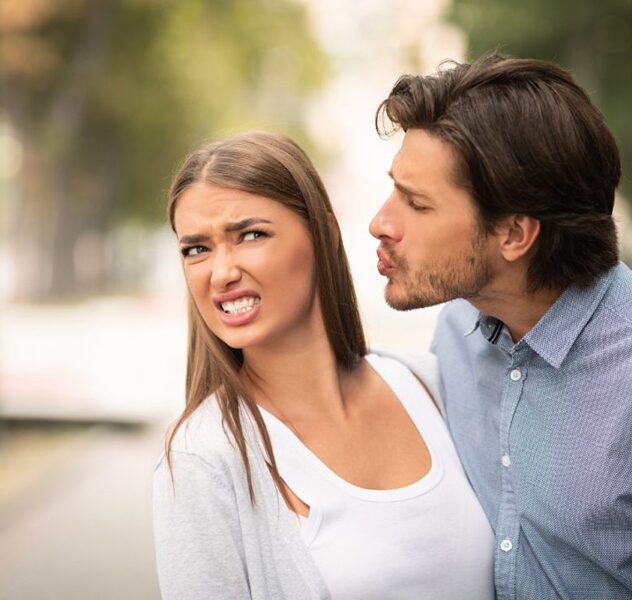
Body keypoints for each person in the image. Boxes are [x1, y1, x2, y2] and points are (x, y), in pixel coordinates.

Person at [369, 53, 632, 599]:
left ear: (514, 234)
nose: (380, 222)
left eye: (416, 203)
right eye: (394, 190)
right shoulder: (458, 329)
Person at [152, 131, 495, 600]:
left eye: (251, 235)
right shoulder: (203, 458)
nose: (222, 272)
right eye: (197, 249)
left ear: (324, 234)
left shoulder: (428, 382)